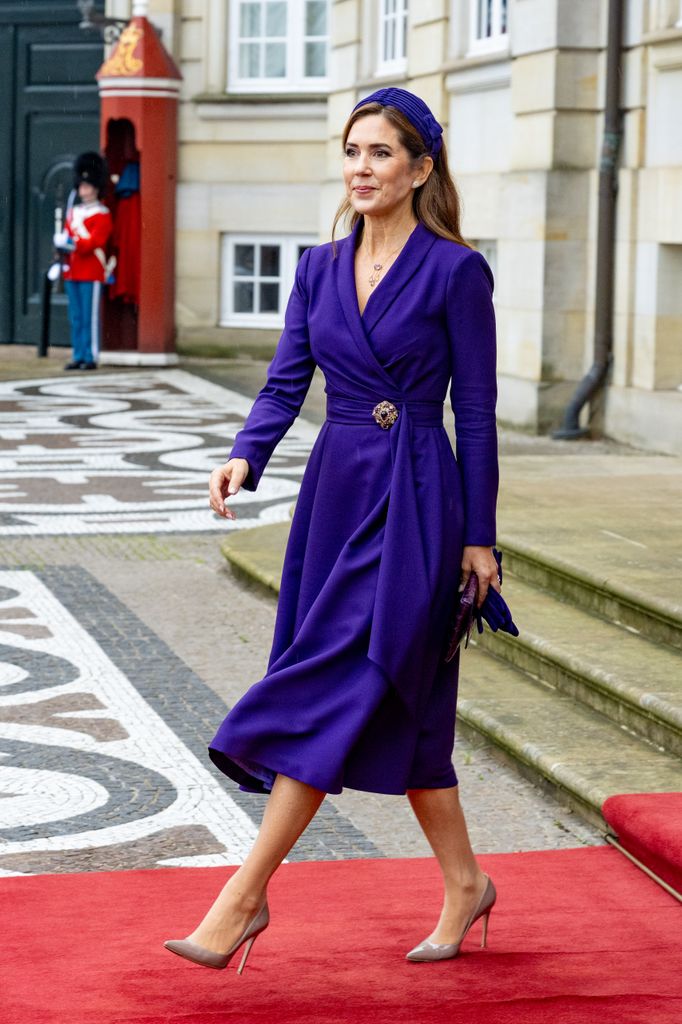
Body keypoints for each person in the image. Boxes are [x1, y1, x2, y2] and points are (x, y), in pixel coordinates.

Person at [164, 88, 502, 973]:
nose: (361, 166)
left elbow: (478, 409)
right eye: (352, 151)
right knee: (403, 703)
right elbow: (283, 385)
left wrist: (480, 536)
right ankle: (466, 883)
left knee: (338, 681)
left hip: (421, 495)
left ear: (421, 168)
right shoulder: (316, 268)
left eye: (382, 153)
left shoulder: (457, 271)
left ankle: (243, 896)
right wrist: (246, 455)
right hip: (335, 492)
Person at [53, 152, 113, 371]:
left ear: (96, 188)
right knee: (76, 317)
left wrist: (72, 240)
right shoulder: (74, 212)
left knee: (90, 317)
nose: (83, 190)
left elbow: (93, 243)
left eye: (87, 186)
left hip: (91, 271)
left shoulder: (103, 214)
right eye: (81, 186)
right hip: (73, 271)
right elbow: (70, 240)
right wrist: (61, 245)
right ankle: (78, 354)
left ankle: (91, 356)